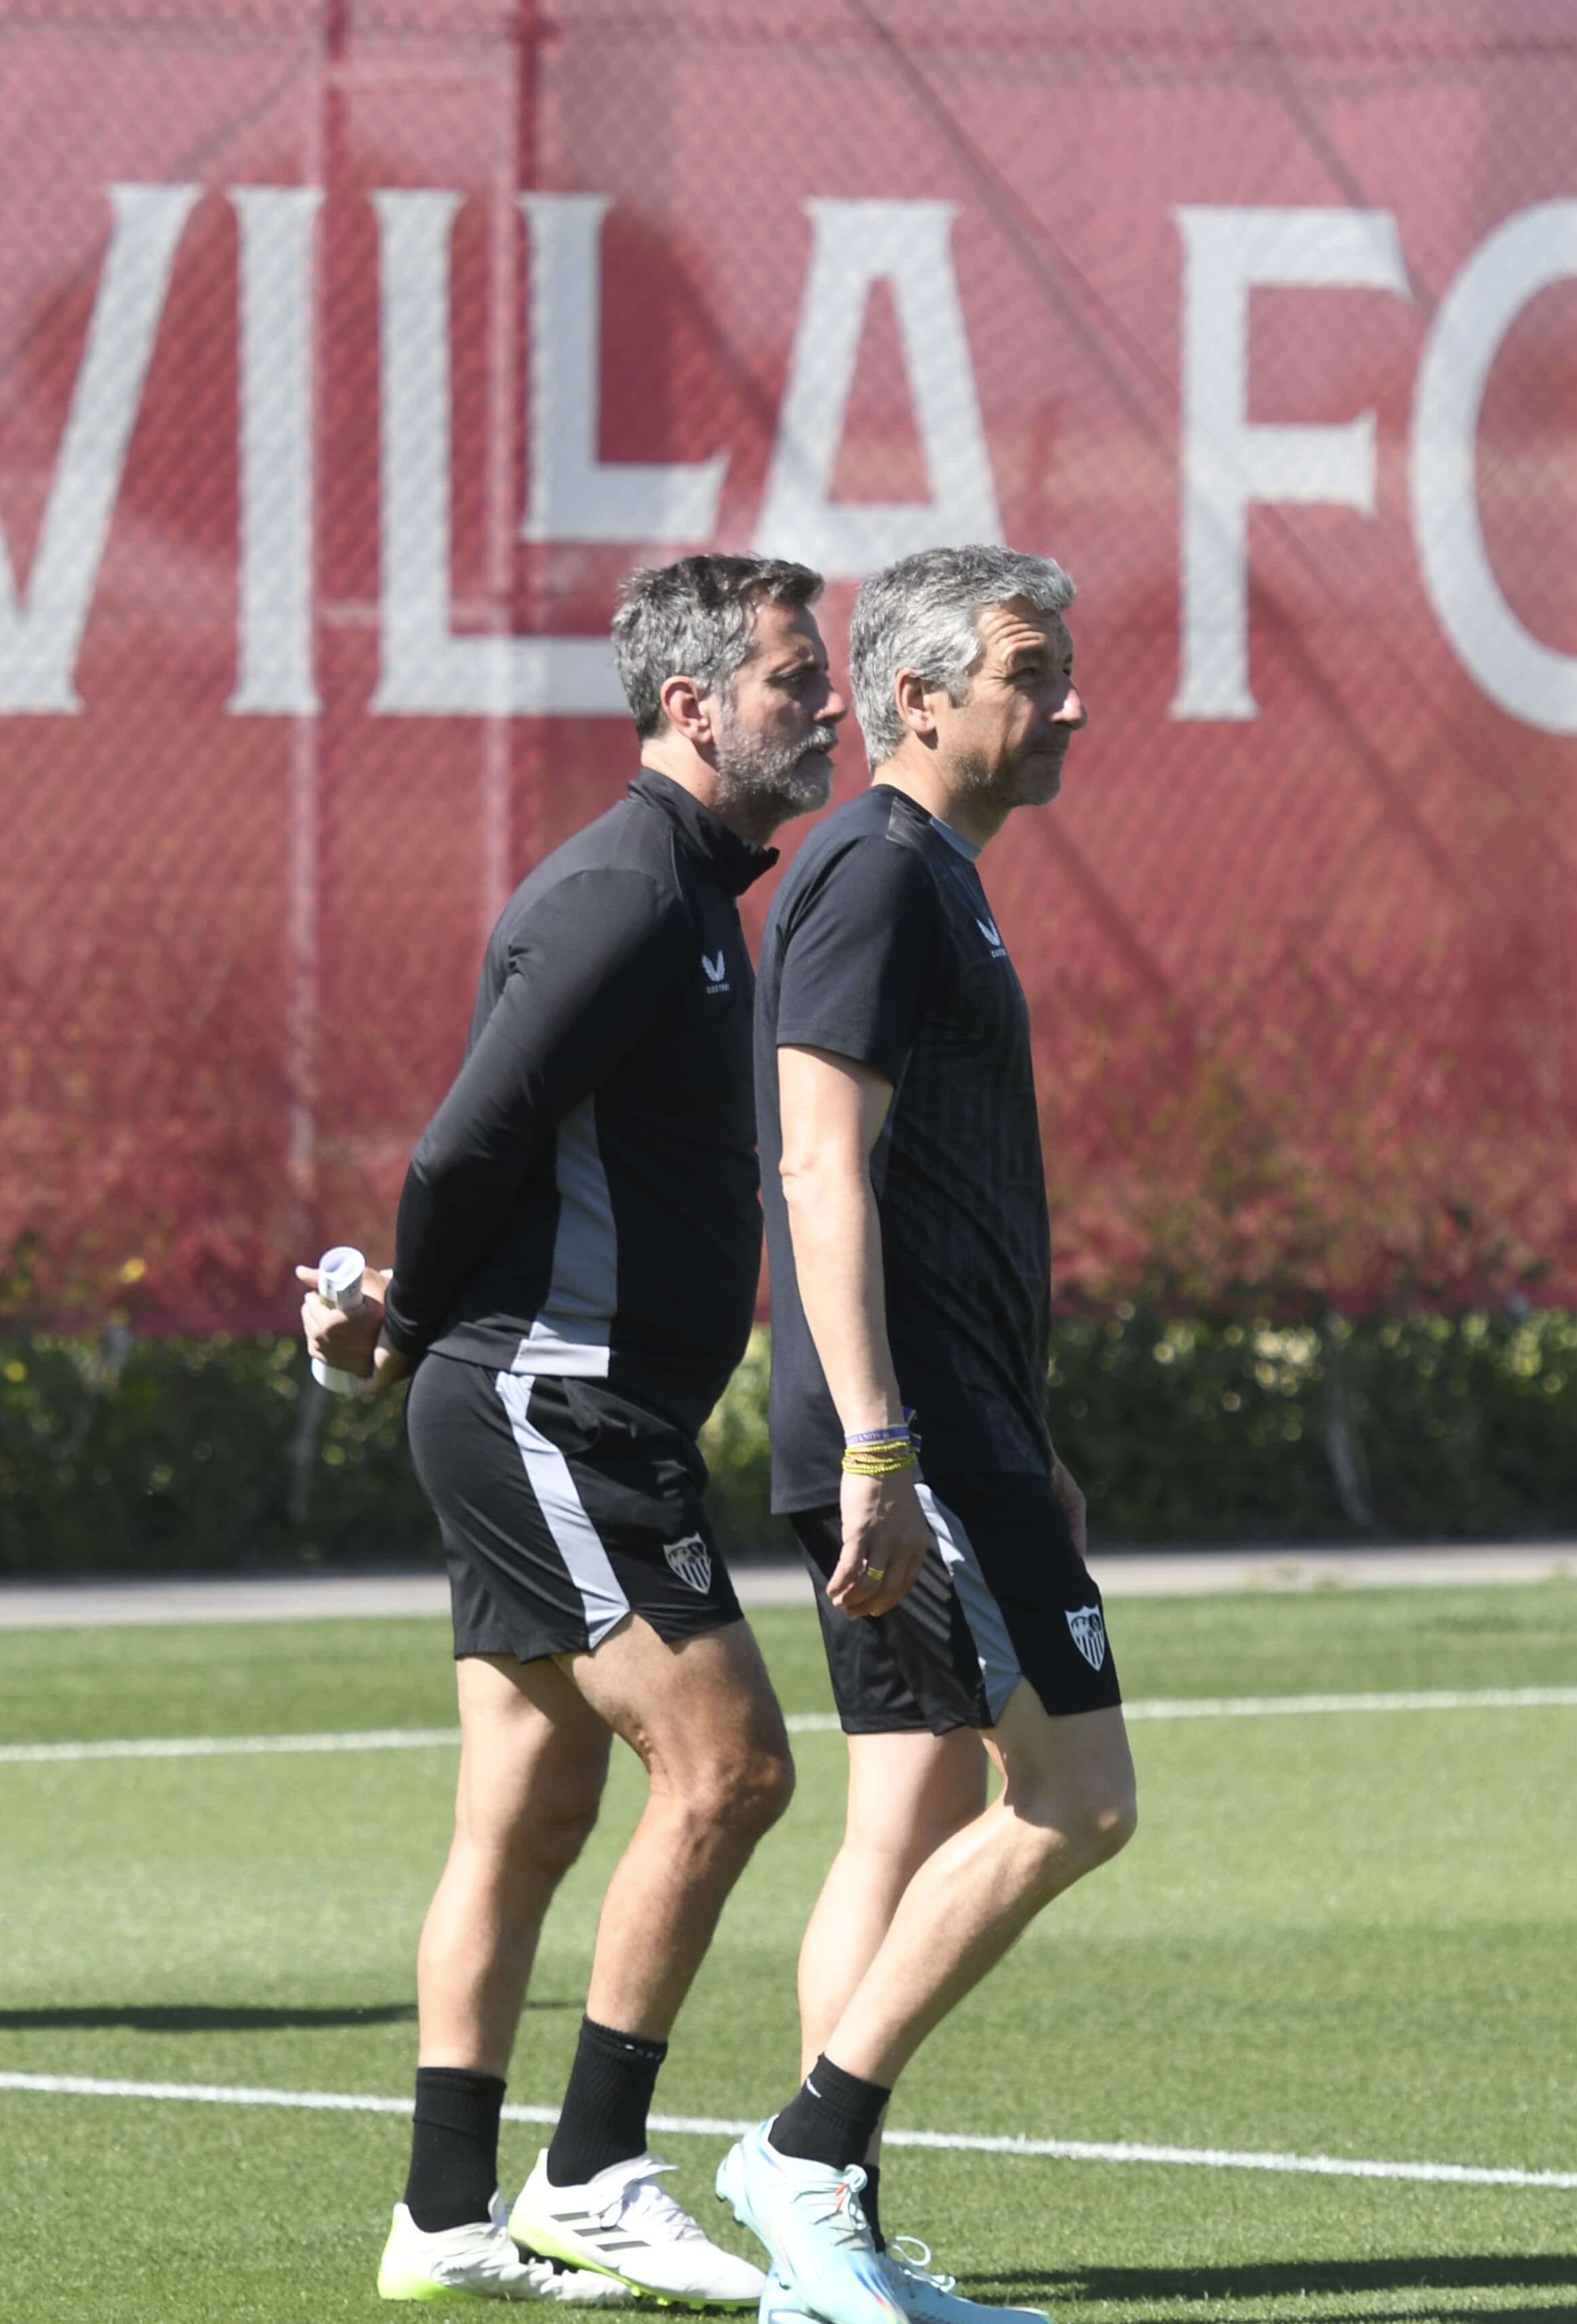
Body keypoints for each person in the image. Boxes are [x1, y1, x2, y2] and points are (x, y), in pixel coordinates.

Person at [303, 554, 846, 2307]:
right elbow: (464, 1150)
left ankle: (443, 2219)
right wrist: (401, 1337)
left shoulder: (692, 898)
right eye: (789, 679)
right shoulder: (625, 895)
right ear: (690, 709)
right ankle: (595, 2170)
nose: (820, 702)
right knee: (732, 1769)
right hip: (555, 1404)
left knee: (525, 1825)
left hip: (561, 1402)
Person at [718, 546, 1128, 2324]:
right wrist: (890, 1443)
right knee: (1082, 1794)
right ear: (919, 699)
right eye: (1030, 671)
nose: (1069, 702)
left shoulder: (925, 880)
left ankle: (835, 2251)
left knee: (912, 1803)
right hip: (914, 1438)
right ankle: (807, 2148)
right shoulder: (882, 874)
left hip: (955, 1429)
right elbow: (819, 1163)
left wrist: (1019, 1428)